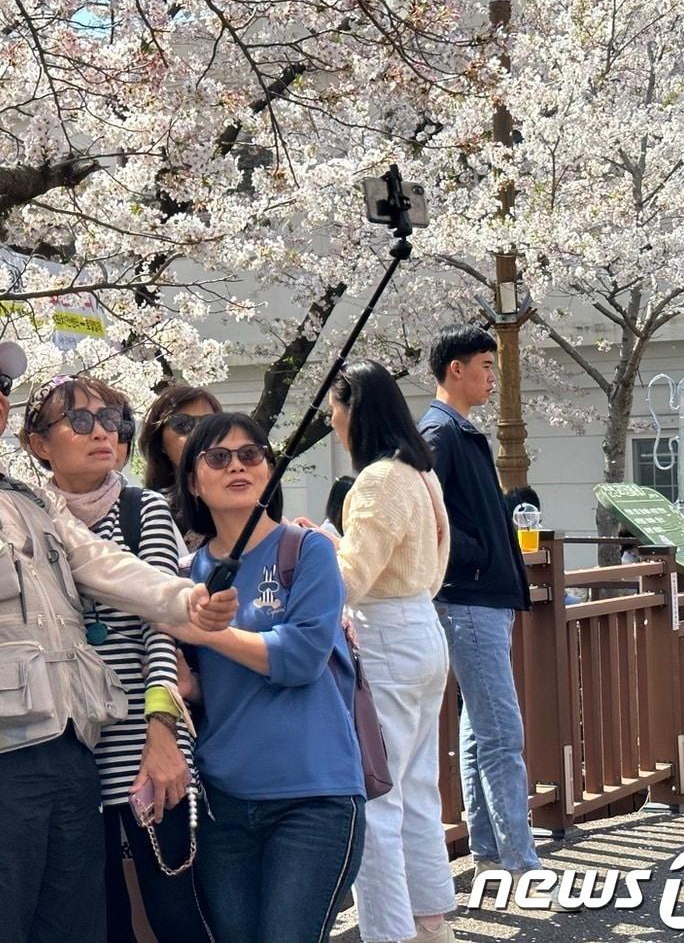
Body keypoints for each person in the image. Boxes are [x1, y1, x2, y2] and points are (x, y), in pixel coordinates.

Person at [0, 334, 233, 943]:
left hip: (73, 739)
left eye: (0, 383)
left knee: (83, 920)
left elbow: (102, 563)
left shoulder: (29, 496)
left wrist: (183, 600)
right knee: (2, 918)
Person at [23, 376, 211, 943]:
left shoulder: (142, 509)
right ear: (37, 443)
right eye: (80, 421)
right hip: (71, 755)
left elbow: (164, 629)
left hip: (142, 745)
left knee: (177, 909)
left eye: (114, 421)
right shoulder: (27, 515)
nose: (102, 432)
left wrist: (163, 736)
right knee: (100, 920)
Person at [166, 411, 365, 943]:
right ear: (193, 480)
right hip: (223, 800)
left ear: (270, 471)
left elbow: (300, 659)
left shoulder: (308, 550)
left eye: (252, 455)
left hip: (313, 796)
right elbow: (218, 684)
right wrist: (189, 685)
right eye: (218, 457)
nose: (238, 466)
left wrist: (207, 633)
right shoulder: (185, 576)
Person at [323, 360, 457, 943]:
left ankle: (390, 932)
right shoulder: (420, 474)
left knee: (377, 794)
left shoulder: (378, 479)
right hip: (423, 626)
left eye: (335, 410)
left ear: (355, 410)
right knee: (417, 786)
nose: (332, 423)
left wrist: (317, 541)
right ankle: (430, 920)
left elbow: (350, 578)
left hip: (384, 632)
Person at [417, 324, 538, 877]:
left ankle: (492, 847)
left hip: (479, 594)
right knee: (500, 730)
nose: (493, 377)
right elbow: (424, 513)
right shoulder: (439, 433)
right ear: (455, 370)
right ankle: (519, 858)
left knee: (479, 725)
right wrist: (477, 556)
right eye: (484, 366)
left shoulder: (454, 431)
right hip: (468, 596)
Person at [139, 384, 223, 528]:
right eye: (182, 424)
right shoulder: (146, 512)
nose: (197, 433)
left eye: (208, 424)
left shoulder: (244, 498)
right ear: (160, 443)